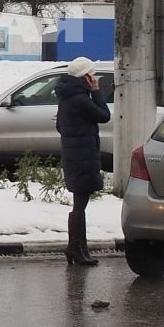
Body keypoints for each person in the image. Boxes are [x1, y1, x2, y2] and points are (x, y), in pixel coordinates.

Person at [55, 56, 111, 266]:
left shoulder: (66, 97)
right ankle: (76, 249)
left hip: (74, 155)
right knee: (80, 205)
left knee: (80, 203)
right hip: (82, 156)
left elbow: (60, 126)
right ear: (85, 77)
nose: (94, 78)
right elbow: (104, 115)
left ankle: (78, 248)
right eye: (92, 75)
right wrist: (97, 92)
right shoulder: (80, 100)